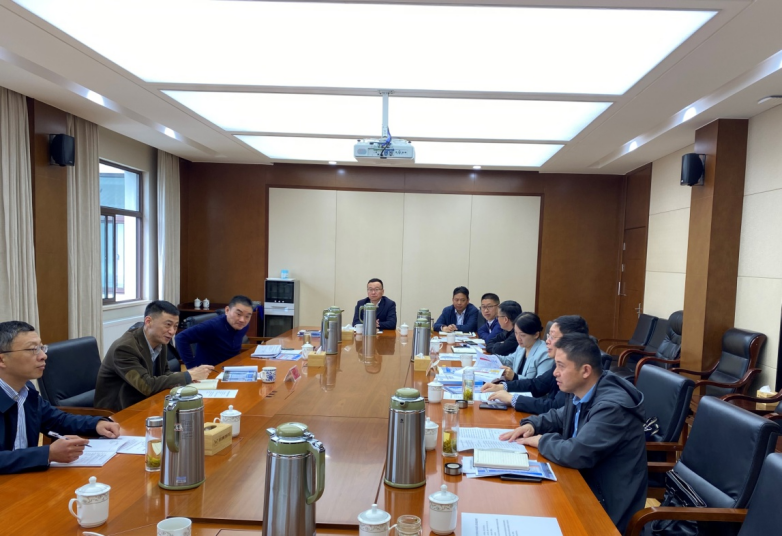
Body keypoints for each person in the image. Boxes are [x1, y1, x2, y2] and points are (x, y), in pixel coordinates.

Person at [499, 334, 647, 533]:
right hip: (580, 483)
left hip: (604, 506)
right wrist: (533, 425)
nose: (555, 373)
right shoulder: (582, 389)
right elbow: (560, 415)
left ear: (585, 370)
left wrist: (542, 441)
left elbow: (576, 453)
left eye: (561, 366)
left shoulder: (612, 407)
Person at [0, 321, 121, 474]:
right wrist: (47, 454)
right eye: (33, 349)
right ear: (2, 360)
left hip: (25, 478)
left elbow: (57, 420)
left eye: (42, 348)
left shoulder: (26, 390)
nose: (43, 356)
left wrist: (96, 424)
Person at [95, 300, 213, 412]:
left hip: (146, 403)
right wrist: (187, 376)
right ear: (148, 321)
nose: (172, 331)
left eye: (175, 326)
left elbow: (164, 373)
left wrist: (189, 377)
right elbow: (146, 386)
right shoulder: (124, 349)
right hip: (119, 412)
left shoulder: (160, 341)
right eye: (168, 325)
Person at [483, 315, 588, 414]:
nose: (547, 341)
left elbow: (554, 407)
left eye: (552, 337)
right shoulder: (558, 364)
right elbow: (538, 384)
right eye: (548, 336)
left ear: (571, 341)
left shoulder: (575, 370)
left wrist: (512, 399)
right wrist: (503, 386)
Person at [175, 295, 255, 368]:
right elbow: (181, 338)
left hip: (231, 368)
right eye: (238, 314)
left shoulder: (243, 326)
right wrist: (192, 368)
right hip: (210, 372)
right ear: (227, 310)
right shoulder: (212, 326)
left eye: (247, 316)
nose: (242, 320)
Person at [495, 313, 550, 380]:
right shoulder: (522, 347)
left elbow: (540, 383)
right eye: (516, 333)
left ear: (536, 335)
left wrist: (515, 377)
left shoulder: (545, 354)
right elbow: (509, 361)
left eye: (522, 335)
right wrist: (491, 358)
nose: (518, 338)